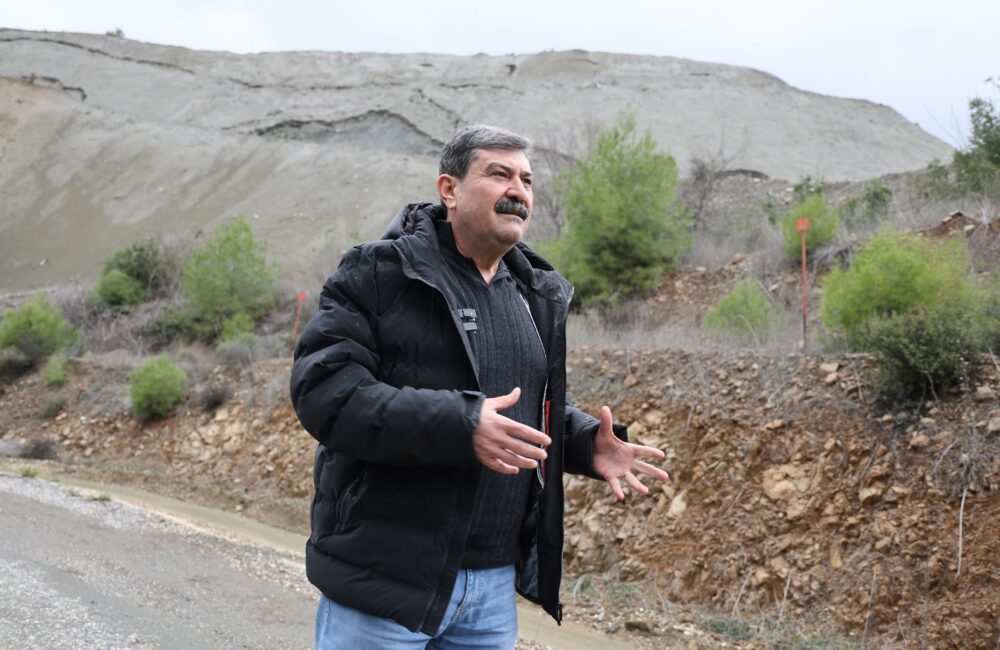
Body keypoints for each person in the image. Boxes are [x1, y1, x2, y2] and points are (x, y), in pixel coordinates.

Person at [290, 124, 669, 649]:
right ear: (449, 189)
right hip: (386, 578)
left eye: (527, 180)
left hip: (491, 591)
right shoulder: (378, 273)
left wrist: (583, 442)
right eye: (499, 174)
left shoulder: (535, 293)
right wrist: (460, 425)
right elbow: (325, 392)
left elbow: (529, 408)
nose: (518, 191)